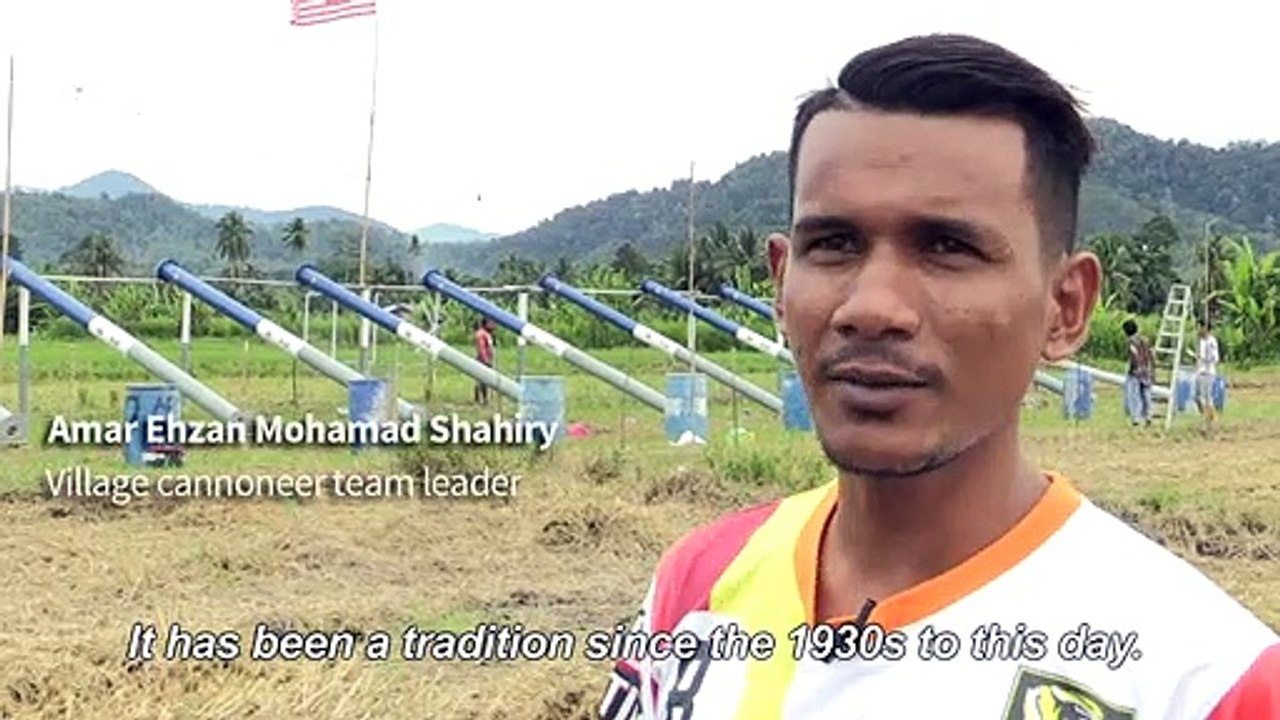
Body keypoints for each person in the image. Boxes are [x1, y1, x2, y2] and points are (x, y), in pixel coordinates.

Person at [599, 34, 1277, 720]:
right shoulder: (699, 585)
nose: (870, 307)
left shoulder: (1207, 683)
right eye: (833, 244)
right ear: (780, 283)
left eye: (948, 248)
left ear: (1065, 307)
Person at [1123, 319, 1155, 426]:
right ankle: (1148, 416)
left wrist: (1133, 369)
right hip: (1147, 370)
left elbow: (1134, 356)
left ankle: (1136, 418)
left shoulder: (1131, 342)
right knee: (1146, 394)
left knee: (1135, 395)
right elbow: (1152, 354)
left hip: (1136, 371)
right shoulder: (1146, 340)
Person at [1191, 320, 1220, 435]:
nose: (1198, 330)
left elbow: (1215, 358)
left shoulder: (1211, 341)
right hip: (1200, 371)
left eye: (1200, 327)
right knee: (1197, 397)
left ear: (1205, 328)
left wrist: (1204, 358)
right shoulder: (1201, 341)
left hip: (1208, 372)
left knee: (1206, 398)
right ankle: (1209, 419)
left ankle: (1209, 423)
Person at [473, 318, 495, 405]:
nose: (494, 326)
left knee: (482, 380)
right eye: (491, 323)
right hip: (483, 360)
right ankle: (482, 399)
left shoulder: (487, 334)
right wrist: (486, 360)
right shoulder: (481, 334)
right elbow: (481, 348)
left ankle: (480, 398)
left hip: (486, 359)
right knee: (482, 380)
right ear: (486, 323)